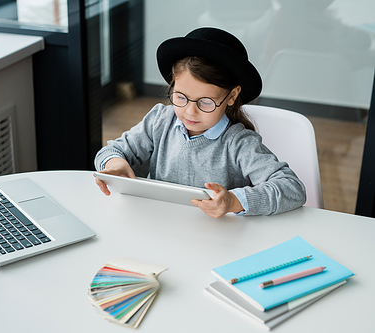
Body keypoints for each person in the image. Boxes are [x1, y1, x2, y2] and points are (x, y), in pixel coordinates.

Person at [94, 27, 306, 218]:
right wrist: (115, 164)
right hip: (158, 224)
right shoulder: (160, 120)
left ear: (231, 96)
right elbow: (110, 151)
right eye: (180, 97)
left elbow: (292, 188)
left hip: (219, 240)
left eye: (205, 102)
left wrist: (234, 201)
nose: (190, 111)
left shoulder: (239, 143)